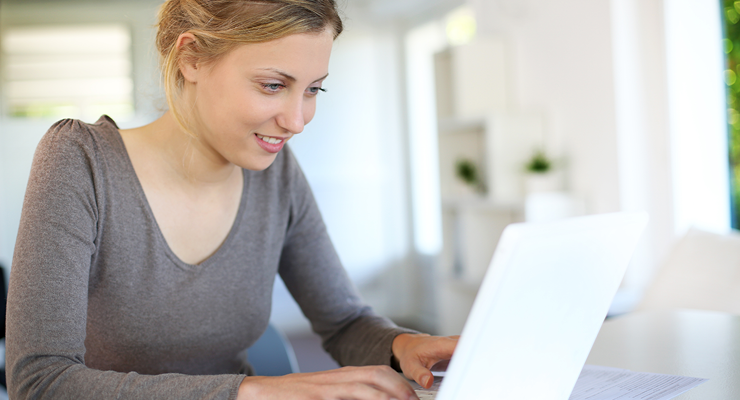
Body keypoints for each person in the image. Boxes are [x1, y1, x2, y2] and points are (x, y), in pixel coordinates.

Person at [5, 0, 458, 399]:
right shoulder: (81, 161)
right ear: (192, 58)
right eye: (273, 85)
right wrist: (251, 391)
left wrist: (405, 345)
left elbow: (343, 321)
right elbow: (41, 380)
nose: (298, 120)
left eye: (313, 89)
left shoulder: (277, 174)